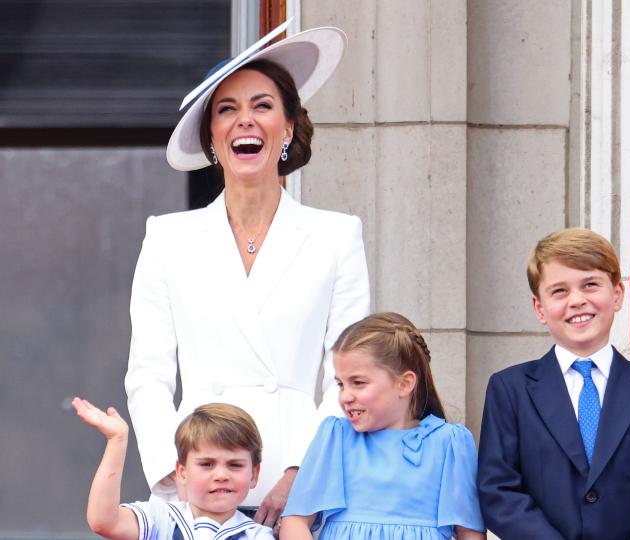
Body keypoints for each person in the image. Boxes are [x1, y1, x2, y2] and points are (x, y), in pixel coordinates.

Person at [124, 22, 370, 529]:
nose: (245, 121)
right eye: (227, 109)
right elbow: (147, 376)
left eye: (262, 106)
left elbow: (350, 376)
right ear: (211, 137)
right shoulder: (167, 237)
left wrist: (306, 472)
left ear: (287, 127)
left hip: (299, 485)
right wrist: (176, 478)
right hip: (195, 481)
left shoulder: (336, 235)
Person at [478, 228, 630, 540]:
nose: (577, 301)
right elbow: (498, 491)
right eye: (559, 291)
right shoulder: (510, 390)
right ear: (539, 308)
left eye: (590, 285)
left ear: (617, 294)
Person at [279, 312, 486, 540]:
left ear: (404, 384)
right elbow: (296, 521)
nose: (345, 396)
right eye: (340, 384)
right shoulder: (335, 437)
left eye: (358, 383)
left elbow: (470, 533)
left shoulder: (449, 443)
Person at [72, 398, 273, 539]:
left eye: (235, 465)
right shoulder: (162, 519)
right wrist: (117, 440)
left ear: (254, 474)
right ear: (182, 472)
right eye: (206, 464)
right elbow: (104, 522)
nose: (221, 475)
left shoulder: (257, 535)